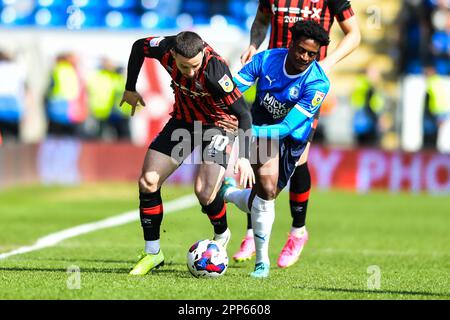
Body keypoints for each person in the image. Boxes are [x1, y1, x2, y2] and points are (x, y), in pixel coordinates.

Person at [233, 0, 361, 266]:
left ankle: (297, 231)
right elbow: (261, 20)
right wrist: (254, 45)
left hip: (304, 84)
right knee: (259, 159)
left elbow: (354, 33)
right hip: (273, 76)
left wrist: (329, 62)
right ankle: (251, 233)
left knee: (299, 159)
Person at [120, 31, 255, 275]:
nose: (190, 72)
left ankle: (221, 234)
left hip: (218, 124)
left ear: (203, 52)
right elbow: (139, 46)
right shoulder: (163, 47)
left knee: (204, 192)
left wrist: (244, 157)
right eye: (184, 67)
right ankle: (153, 253)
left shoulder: (216, 72)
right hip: (184, 122)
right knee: (148, 181)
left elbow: (244, 114)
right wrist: (130, 88)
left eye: (194, 66)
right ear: (172, 54)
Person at [219, 20, 330, 277]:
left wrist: (244, 131)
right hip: (262, 127)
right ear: (290, 44)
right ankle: (262, 262)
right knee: (266, 192)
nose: (304, 57)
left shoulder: (318, 84)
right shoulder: (267, 59)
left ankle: (230, 194)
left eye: (311, 54)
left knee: (261, 197)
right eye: (300, 50)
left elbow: (286, 128)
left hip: (290, 138)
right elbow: (234, 91)